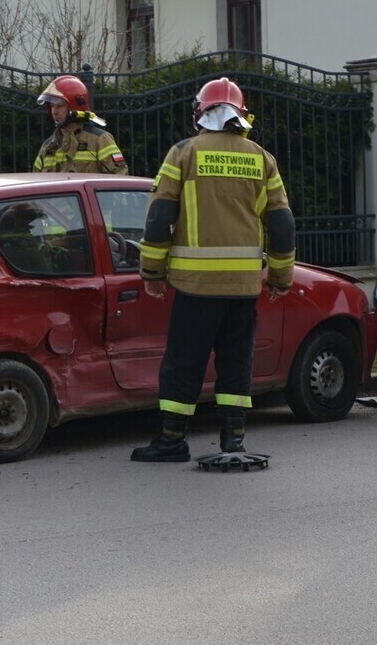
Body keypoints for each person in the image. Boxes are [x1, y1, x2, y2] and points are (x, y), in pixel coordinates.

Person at [130, 77, 296, 463]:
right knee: (237, 362)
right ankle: (233, 442)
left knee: (184, 363)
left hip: (195, 285)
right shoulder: (262, 158)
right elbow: (283, 225)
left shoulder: (183, 153)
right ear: (241, 114)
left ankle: (172, 441)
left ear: (200, 112)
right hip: (243, 288)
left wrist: (152, 273)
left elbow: (159, 219)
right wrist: (281, 277)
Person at [32, 75, 129, 174]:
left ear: (74, 107)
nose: (54, 111)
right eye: (52, 106)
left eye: (59, 106)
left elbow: (120, 179)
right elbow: (35, 184)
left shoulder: (100, 140)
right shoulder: (47, 147)